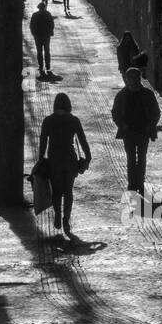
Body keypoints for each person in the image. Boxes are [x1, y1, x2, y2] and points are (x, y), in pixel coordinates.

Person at [38, 92, 92, 237]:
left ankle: (57, 212)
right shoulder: (74, 120)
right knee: (68, 191)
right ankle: (66, 219)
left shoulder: (48, 121)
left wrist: (40, 159)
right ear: (68, 105)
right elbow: (82, 140)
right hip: (70, 159)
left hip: (54, 159)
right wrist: (88, 156)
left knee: (56, 190)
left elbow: (43, 142)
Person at [111, 67, 160, 195]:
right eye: (130, 78)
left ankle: (140, 183)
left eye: (135, 77)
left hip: (144, 132)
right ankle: (132, 184)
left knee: (142, 158)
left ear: (139, 78)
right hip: (128, 133)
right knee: (131, 159)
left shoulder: (148, 94)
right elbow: (115, 113)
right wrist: (122, 125)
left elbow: (156, 112)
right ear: (127, 79)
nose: (133, 80)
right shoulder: (121, 95)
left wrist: (151, 125)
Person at [29, 1, 55, 77]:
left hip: (38, 36)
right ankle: (48, 66)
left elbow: (31, 25)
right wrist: (50, 32)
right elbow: (52, 24)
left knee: (39, 51)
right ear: (44, 7)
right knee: (47, 51)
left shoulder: (35, 15)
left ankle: (41, 66)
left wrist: (33, 34)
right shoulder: (48, 14)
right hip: (46, 36)